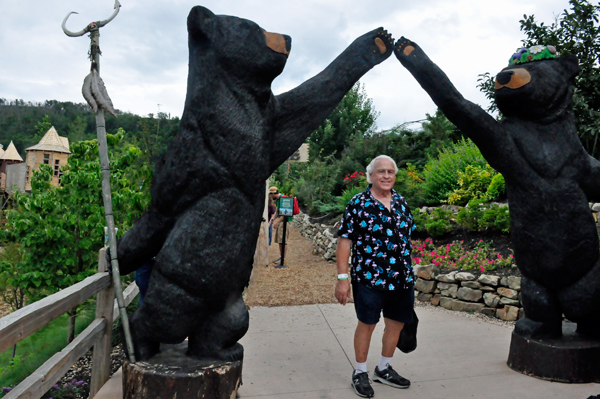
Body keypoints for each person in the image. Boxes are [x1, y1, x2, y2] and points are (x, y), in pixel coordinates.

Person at [335, 155, 416, 398]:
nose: (386, 176)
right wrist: (342, 277)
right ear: (370, 175)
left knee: (396, 323)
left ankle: (384, 368)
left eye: (391, 172)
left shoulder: (401, 202)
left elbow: (407, 236)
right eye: (381, 171)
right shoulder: (358, 204)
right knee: (367, 324)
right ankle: (360, 371)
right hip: (370, 278)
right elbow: (344, 240)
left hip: (401, 279)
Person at [270, 186, 291, 265]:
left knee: (283, 240)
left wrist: (277, 222)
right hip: (281, 222)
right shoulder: (278, 200)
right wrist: (272, 219)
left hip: (284, 222)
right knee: (280, 240)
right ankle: (281, 256)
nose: (271, 197)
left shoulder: (284, 199)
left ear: (273, 194)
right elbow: (277, 211)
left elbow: (284, 213)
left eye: (271, 195)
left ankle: (283, 258)